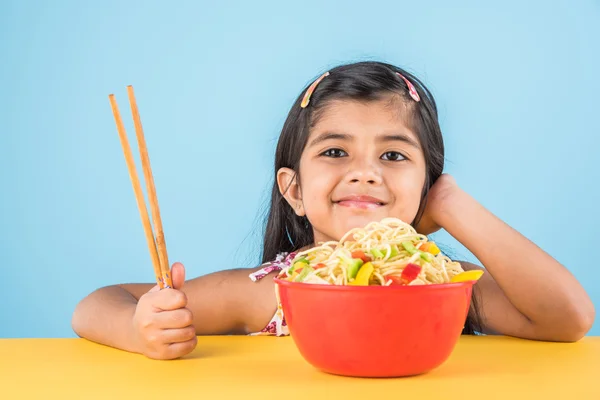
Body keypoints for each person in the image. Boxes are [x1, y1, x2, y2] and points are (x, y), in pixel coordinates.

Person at [72, 61, 595, 360]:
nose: (365, 172)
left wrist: (453, 205)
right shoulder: (268, 293)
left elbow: (570, 319)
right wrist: (139, 328)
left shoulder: (444, 287)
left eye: (393, 155)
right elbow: (97, 305)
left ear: (427, 185)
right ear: (294, 189)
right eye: (335, 151)